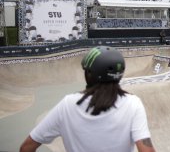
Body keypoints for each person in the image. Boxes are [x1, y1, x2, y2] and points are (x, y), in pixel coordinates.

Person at [20, 46, 155, 152]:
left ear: (89, 74)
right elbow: (146, 149)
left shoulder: (68, 104)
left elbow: (27, 147)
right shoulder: (132, 103)